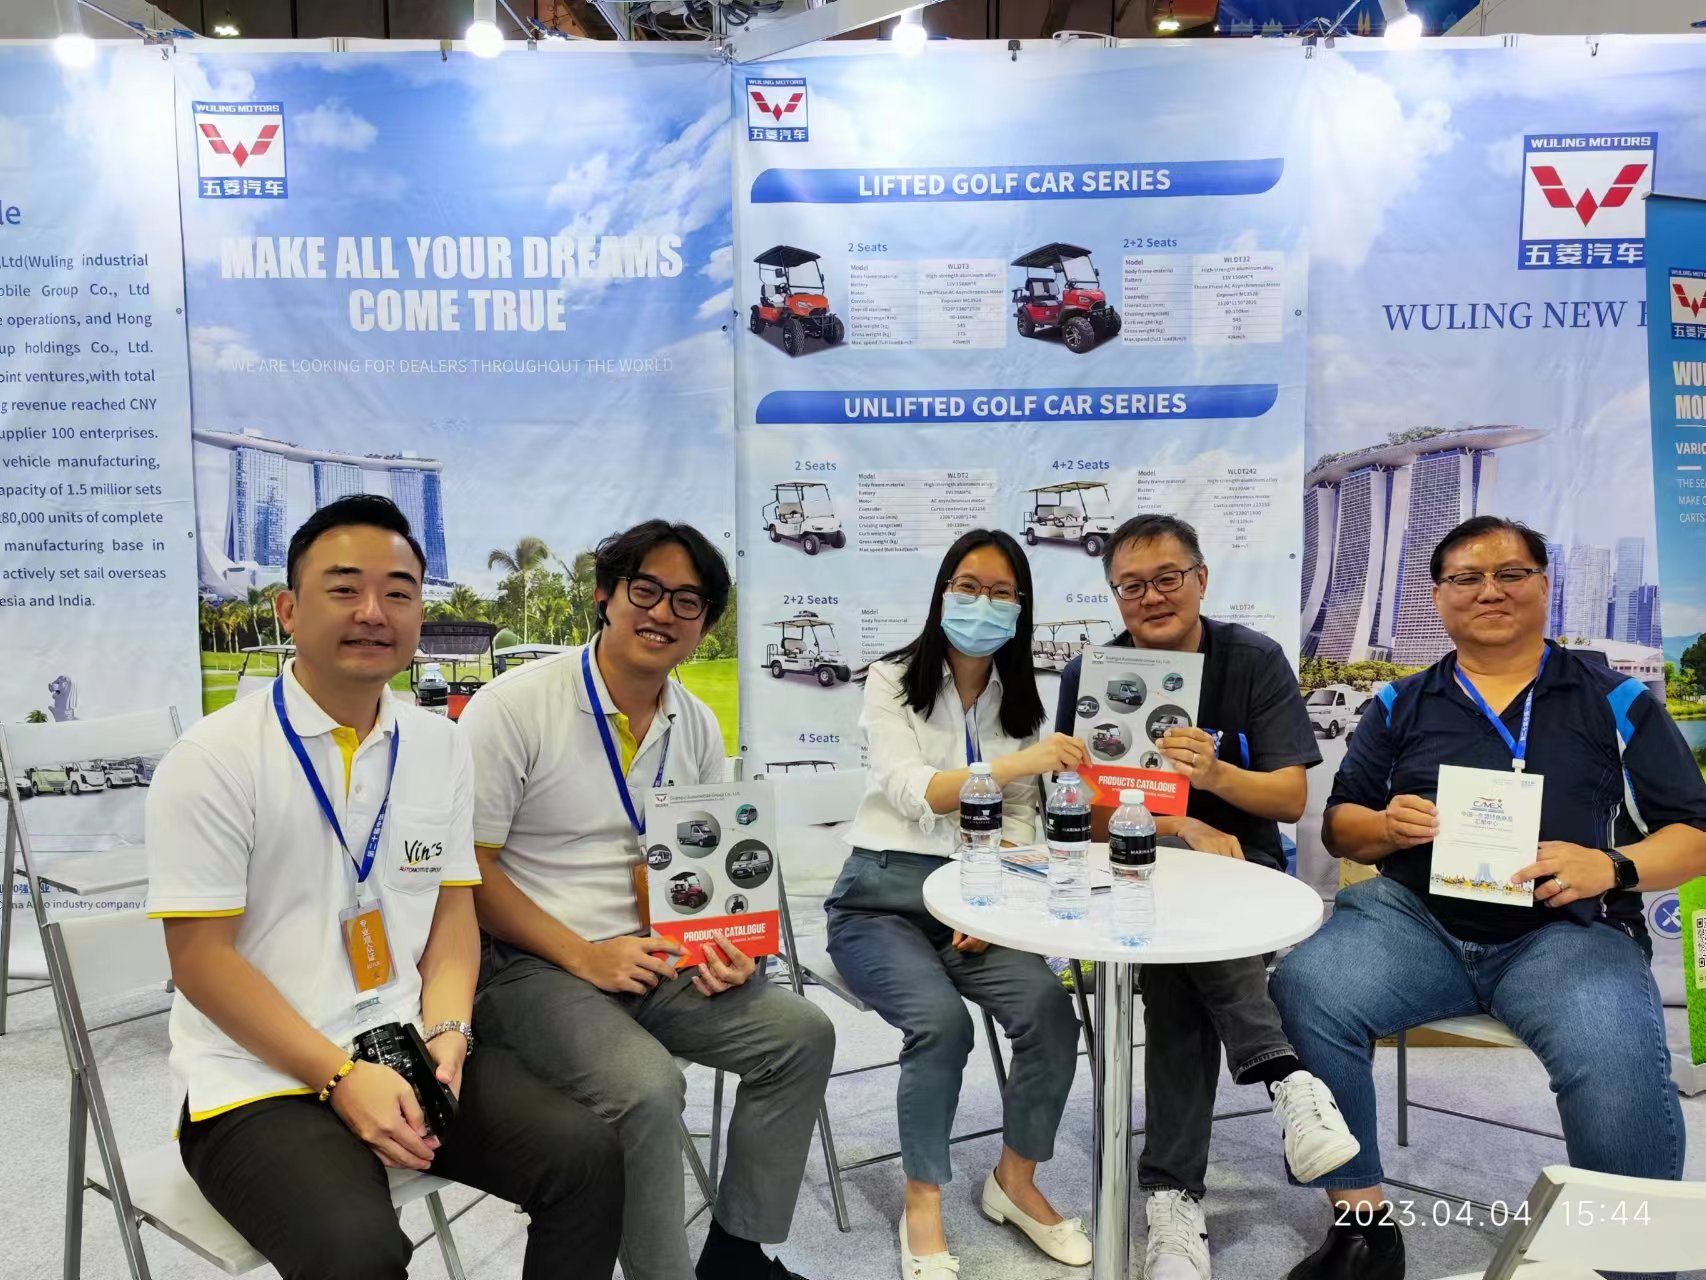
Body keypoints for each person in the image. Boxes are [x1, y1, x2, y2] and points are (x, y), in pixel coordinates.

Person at [146, 495, 623, 1280]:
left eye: (398, 593)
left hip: (409, 1044)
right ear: (288, 610)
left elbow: (452, 912)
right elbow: (201, 961)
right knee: (357, 1253)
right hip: (259, 1079)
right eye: (344, 588)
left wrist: (450, 1030)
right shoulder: (214, 758)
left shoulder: (439, 745)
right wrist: (338, 1077)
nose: (373, 612)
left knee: (586, 1156)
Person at [1272, 515, 1706, 1280]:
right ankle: (1362, 1226)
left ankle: (1630, 1264)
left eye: (1511, 573)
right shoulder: (1400, 703)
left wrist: (1613, 865)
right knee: (1308, 985)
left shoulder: (1615, 700)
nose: (1489, 591)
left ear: (1545, 583)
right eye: (1466, 578)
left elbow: (1694, 832)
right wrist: (1384, 826)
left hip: (1566, 933)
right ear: (1438, 596)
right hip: (1417, 924)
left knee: (1615, 1056)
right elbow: (1341, 826)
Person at [460, 519, 834, 1280]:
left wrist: (727, 946)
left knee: (800, 1034)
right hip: (530, 963)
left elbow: (700, 864)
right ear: (606, 595)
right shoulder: (515, 707)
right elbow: (467, 872)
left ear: (705, 625)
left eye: (687, 601)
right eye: (647, 590)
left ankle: (737, 1254)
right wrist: (583, 956)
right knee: (647, 1087)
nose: (664, 612)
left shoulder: (693, 722)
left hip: (655, 954)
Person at [1052, 513, 1359, 1280]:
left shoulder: (1251, 659)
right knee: (1172, 913)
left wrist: (1215, 776)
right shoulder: (1093, 675)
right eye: (1131, 586)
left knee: (1175, 976)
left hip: (1241, 867)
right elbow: (1081, 812)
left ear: (1200, 580)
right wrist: (1176, 822)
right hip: (1133, 860)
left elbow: (1289, 798)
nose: (1151, 597)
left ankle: (1172, 1199)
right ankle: (1286, 1079)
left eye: (1167, 578)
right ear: (1114, 595)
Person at [826, 528, 1093, 1280]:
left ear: (1022, 607)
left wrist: (991, 906)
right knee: (941, 1025)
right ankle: (923, 1202)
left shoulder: (1022, 700)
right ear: (943, 590)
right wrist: (1021, 762)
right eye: (969, 586)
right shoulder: (890, 679)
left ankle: (1014, 1180)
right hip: (881, 899)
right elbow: (916, 791)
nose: (984, 603)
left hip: (975, 901)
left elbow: (1021, 818)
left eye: (1002, 592)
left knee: (1049, 1011)